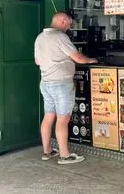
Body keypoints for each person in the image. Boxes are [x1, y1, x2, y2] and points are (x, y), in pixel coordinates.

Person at [34, 12, 98, 164]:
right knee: (63, 119)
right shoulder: (61, 37)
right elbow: (78, 57)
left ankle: (47, 151)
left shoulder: (40, 38)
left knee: (49, 116)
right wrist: (92, 60)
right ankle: (64, 155)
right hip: (61, 84)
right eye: (69, 24)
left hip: (46, 83)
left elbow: (38, 61)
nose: (69, 28)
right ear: (62, 21)